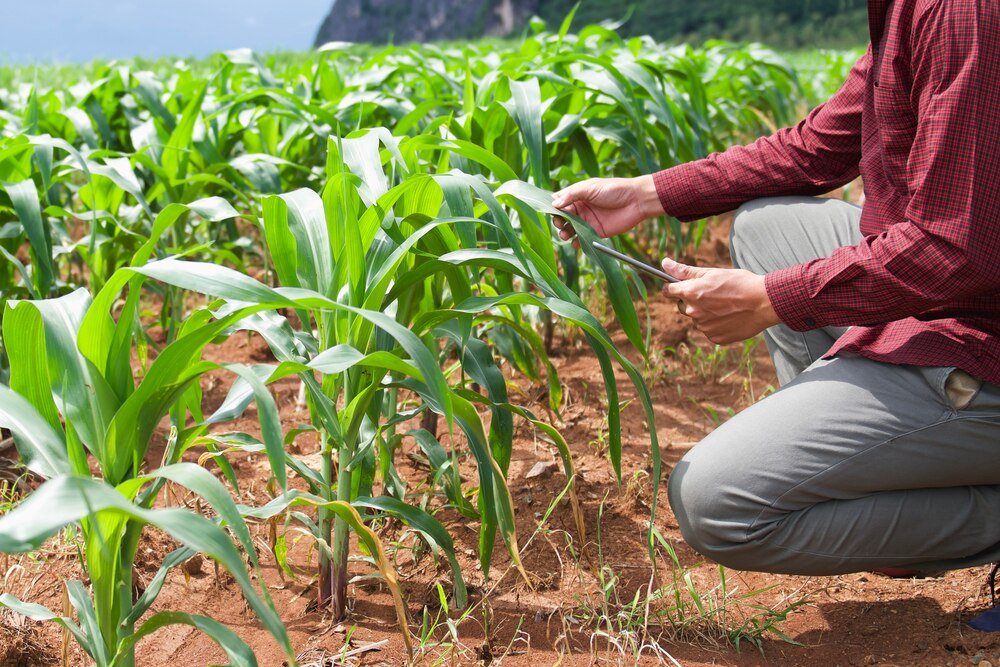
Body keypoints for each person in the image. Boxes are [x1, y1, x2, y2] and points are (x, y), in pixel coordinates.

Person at [552, 0, 1000, 578]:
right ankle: (869, 457)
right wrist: (644, 194)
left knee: (716, 504)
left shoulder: (964, 13)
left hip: (977, 335)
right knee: (767, 226)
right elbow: (815, 146)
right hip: (953, 291)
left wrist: (772, 297)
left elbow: (951, 251)